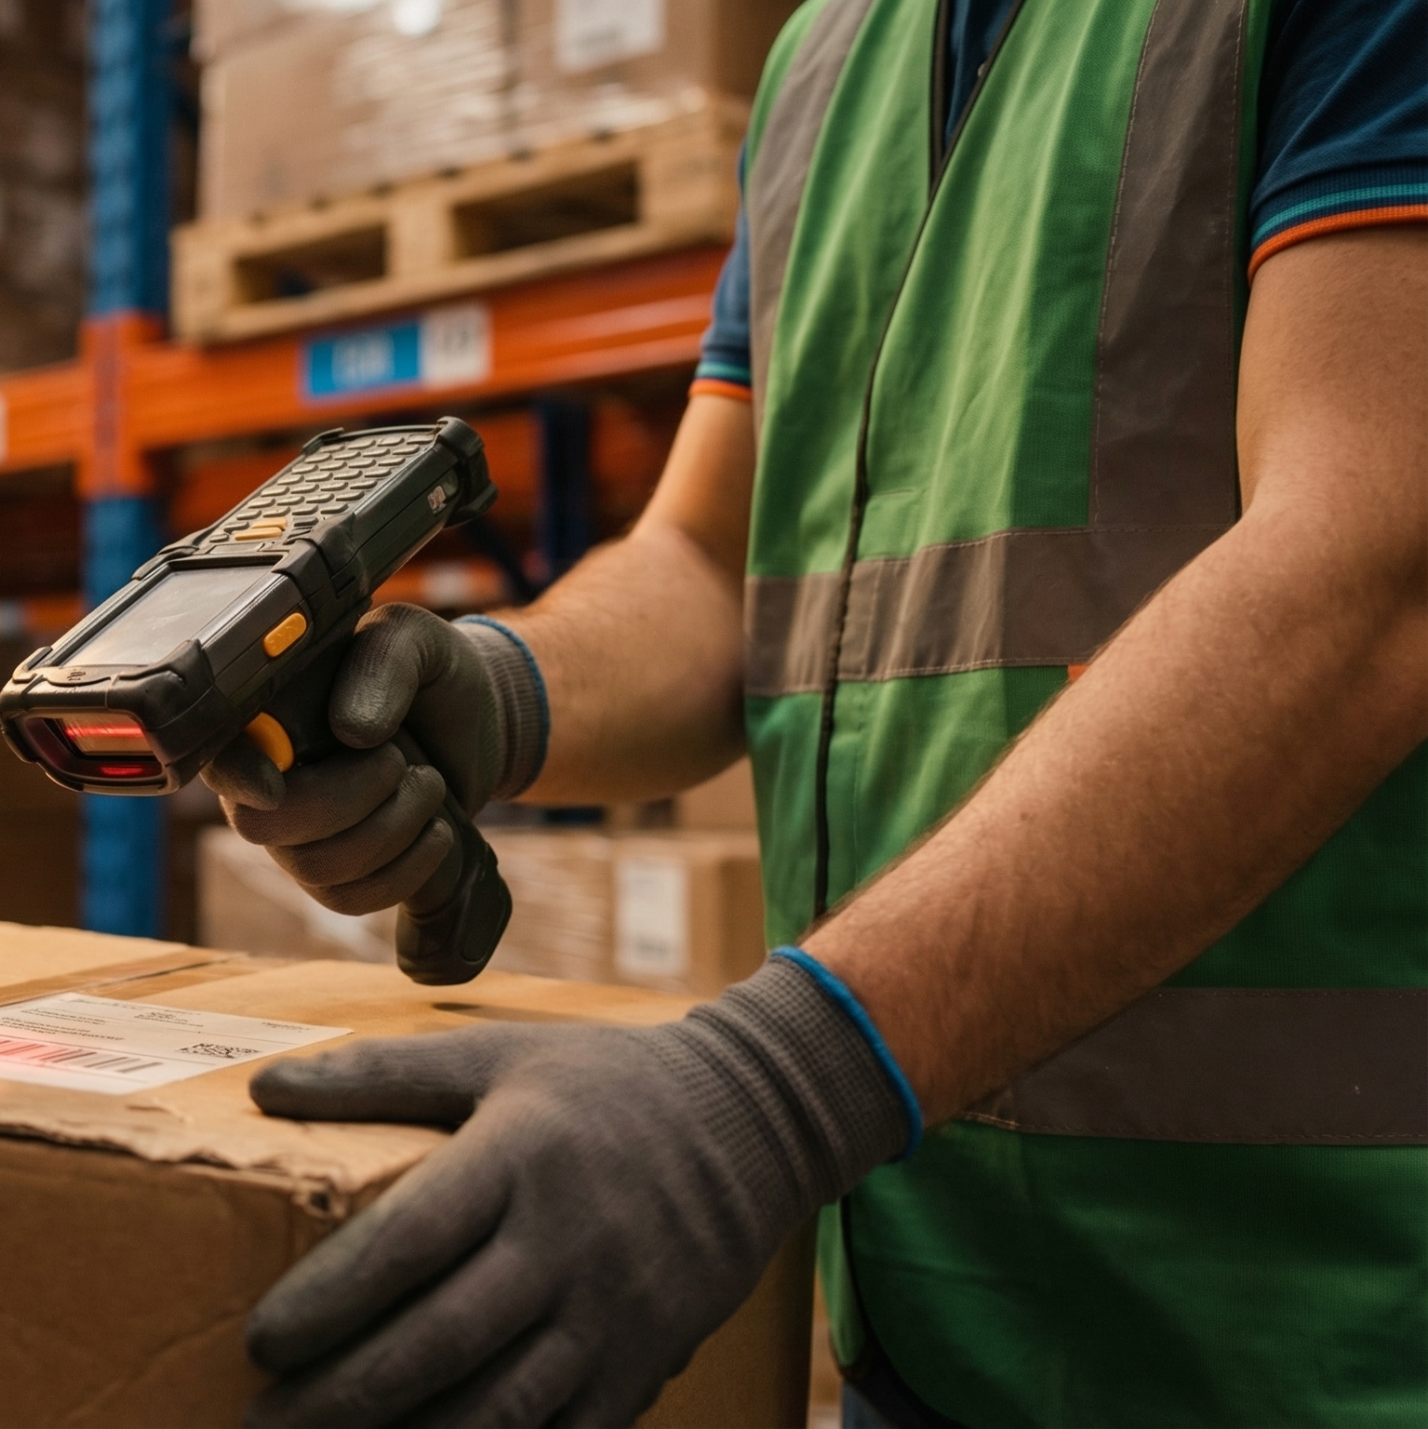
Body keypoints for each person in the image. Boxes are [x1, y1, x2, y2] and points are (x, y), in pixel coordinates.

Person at [208, 1, 1428, 1424]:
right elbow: (714, 561)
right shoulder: (831, 60)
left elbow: (1370, 567)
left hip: (1316, 1339)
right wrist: (491, 692)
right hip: (931, 1314)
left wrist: (781, 1085)